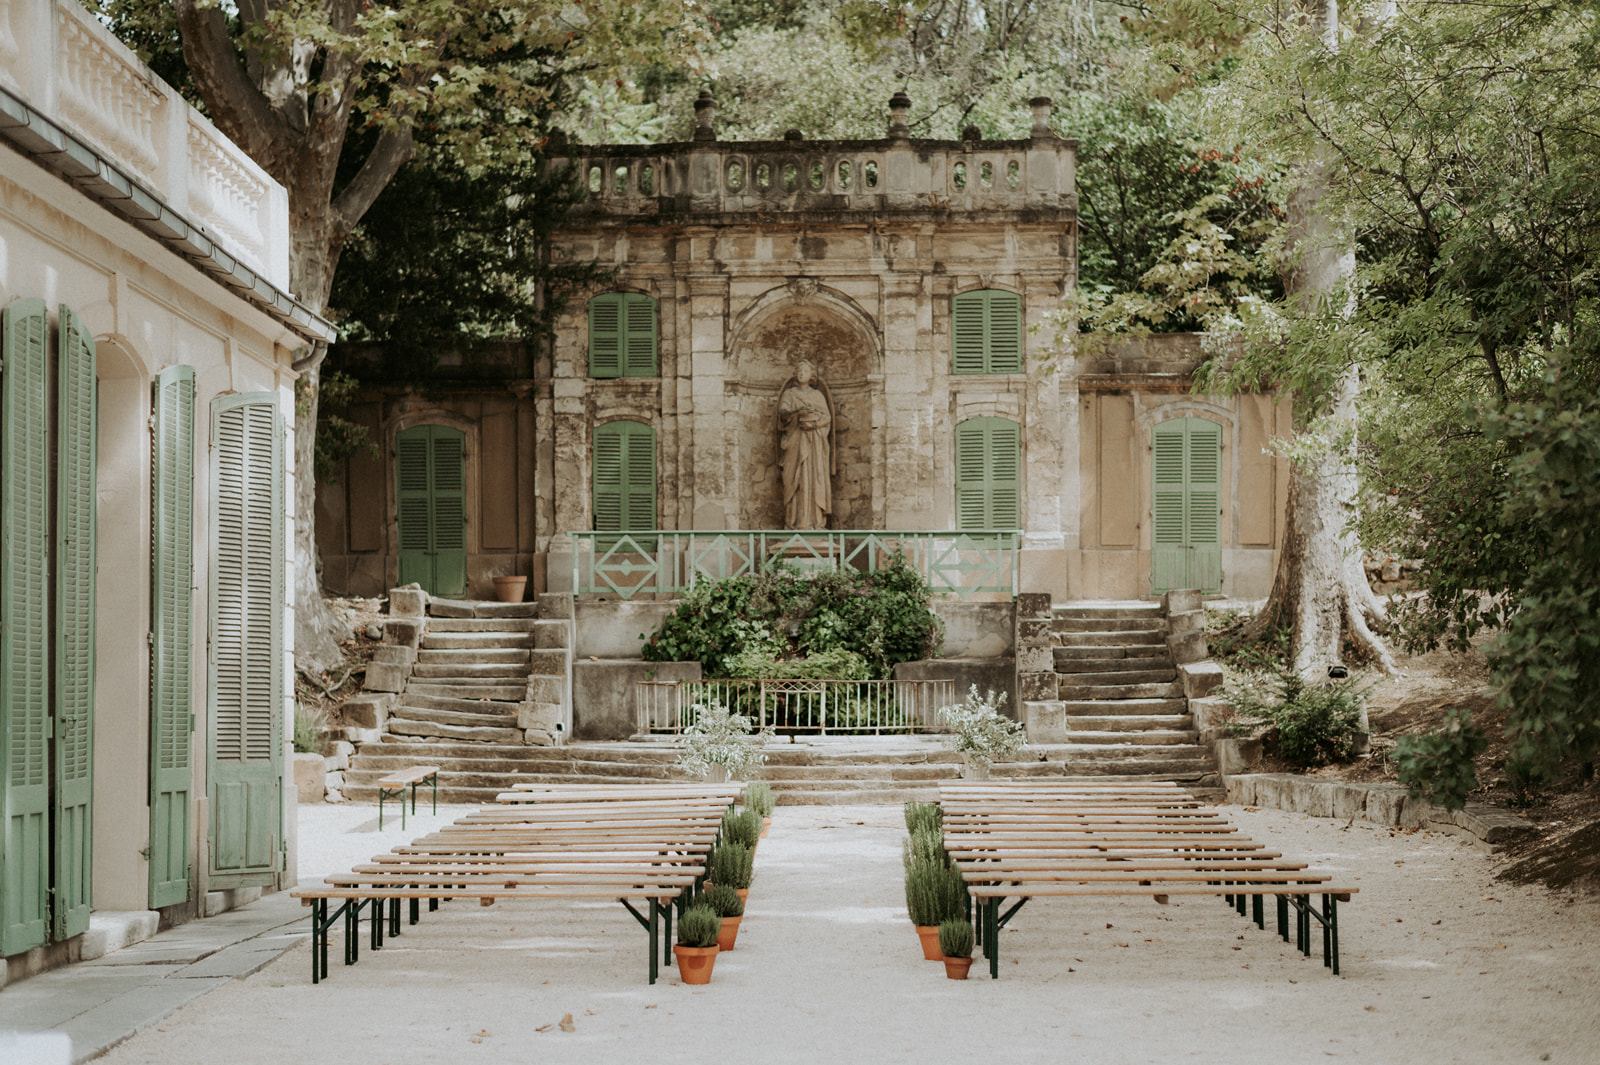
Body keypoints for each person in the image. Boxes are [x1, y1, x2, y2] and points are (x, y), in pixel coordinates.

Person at [778, 360, 833, 530]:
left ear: (812, 375)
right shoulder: (789, 394)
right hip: (794, 441)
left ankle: (815, 521)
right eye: (799, 370)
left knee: (814, 479)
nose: (802, 373)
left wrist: (814, 424)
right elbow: (782, 415)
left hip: (814, 444)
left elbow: (827, 418)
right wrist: (798, 413)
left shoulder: (817, 396)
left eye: (806, 371)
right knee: (795, 480)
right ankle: (794, 521)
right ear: (795, 374)